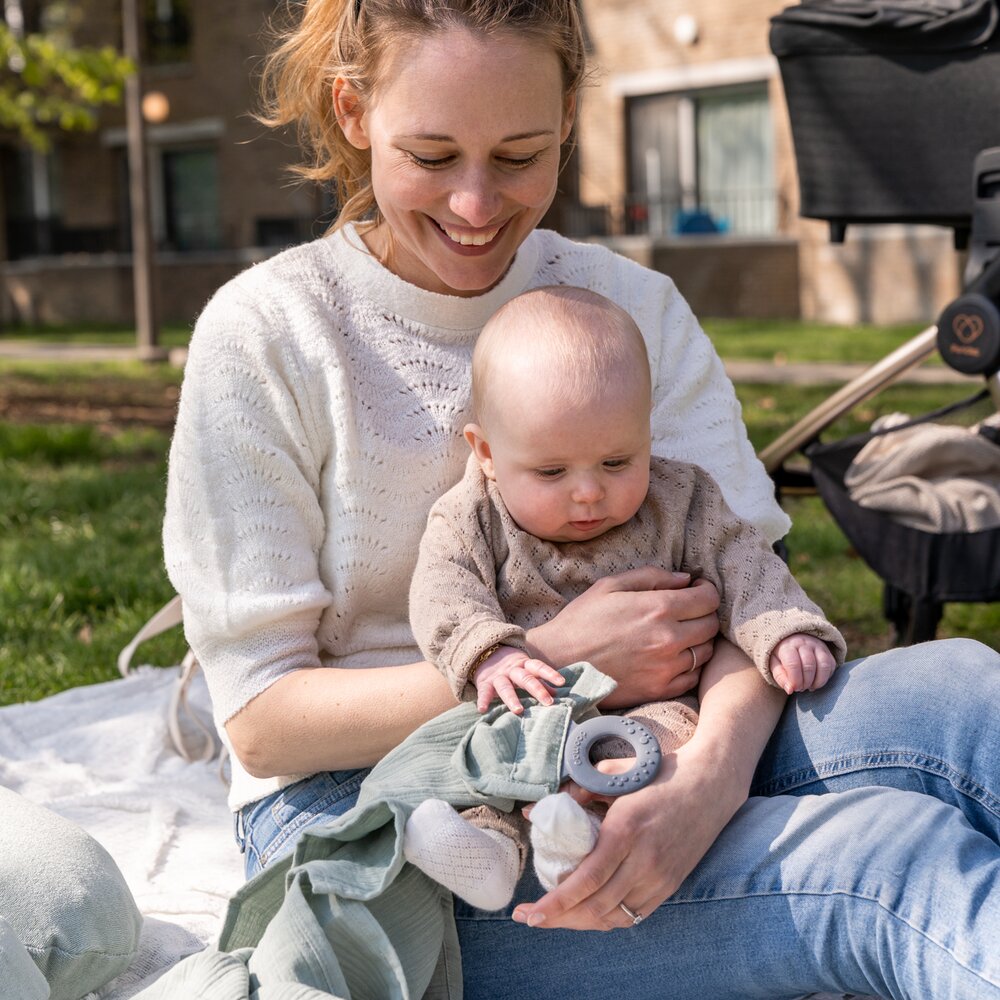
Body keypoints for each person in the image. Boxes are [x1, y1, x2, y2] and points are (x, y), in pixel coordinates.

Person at [161, 0, 1000, 995]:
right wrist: (556, 661)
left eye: (518, 156)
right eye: (432, 156)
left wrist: (712, 776)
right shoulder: (268, 336)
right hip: (399, 826)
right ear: (352, 112)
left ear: (567, 116)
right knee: (881, 861)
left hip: (667, 731)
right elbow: (260, 719)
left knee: (963, 691)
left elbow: (745, 582)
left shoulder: (628, 307)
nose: (475, 205)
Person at [400, 284, 844, 909]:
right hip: (528, 709)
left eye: (616, 462)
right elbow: (443, 593)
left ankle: (587, 833)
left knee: (660, 747)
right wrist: (488, 654)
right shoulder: (470, 517)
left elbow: (746, 564)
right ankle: (491, 853)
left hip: (654, 710)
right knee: (486, 759)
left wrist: (784, 630)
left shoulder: (681, 500)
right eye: (552, 472)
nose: (588, 493)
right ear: (488, 453)